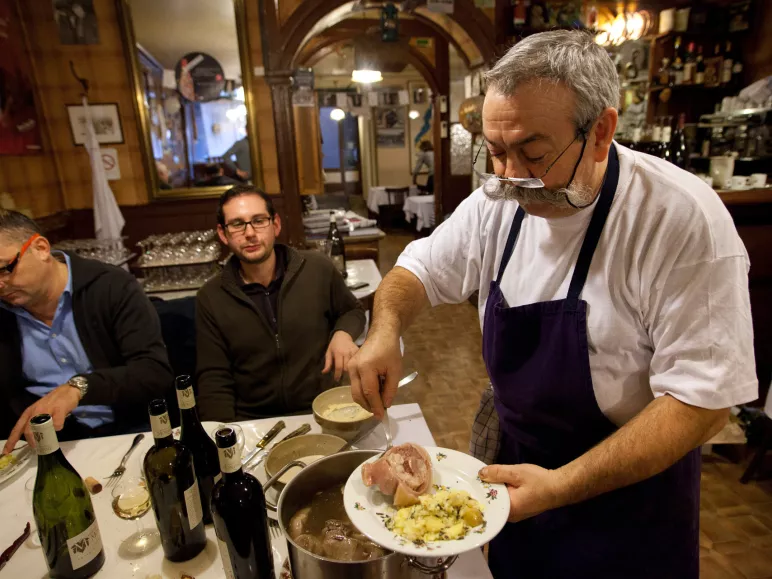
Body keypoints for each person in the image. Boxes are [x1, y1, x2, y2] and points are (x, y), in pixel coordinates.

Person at [349, 30, 756, 578]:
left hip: (630, 505)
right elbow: (418, 268)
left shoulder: (680, 220)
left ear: (601, 131)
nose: (511, 176)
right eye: (495, 153)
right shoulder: (502, 199)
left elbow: (703, 402)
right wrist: (384, 329)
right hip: (521, 480)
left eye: (534, 153)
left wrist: (562, 484)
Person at [0, 210, 173, 452]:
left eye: (4, 269)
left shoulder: (111, 286)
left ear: (40, 248)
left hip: (125, 433)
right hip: (40, 443)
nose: (0, 285)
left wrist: (79, 388)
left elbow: (154, 373)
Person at [196, 186, 366, 421]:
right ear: (223, 234)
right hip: (253, 421)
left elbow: (353, 310)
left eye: (258, 221)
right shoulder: (211, 296)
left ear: (275, 224)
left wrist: (343, 333)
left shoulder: (317, 269)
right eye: (237, 224)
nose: (250, 233)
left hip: (324, 410)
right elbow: (213, 378)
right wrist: (223, 438)